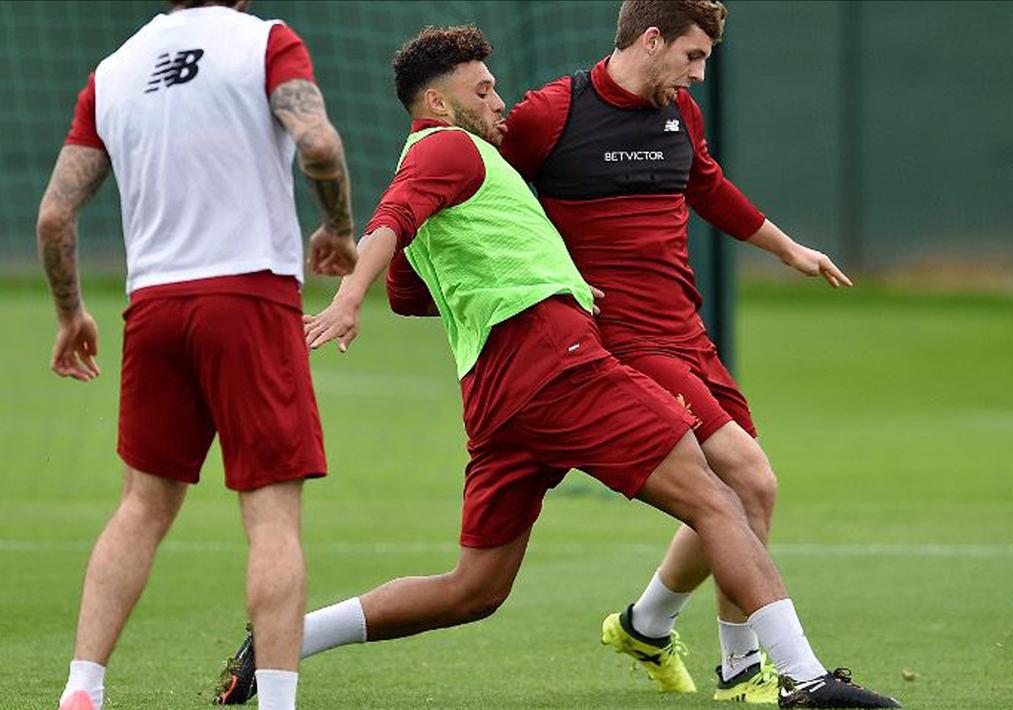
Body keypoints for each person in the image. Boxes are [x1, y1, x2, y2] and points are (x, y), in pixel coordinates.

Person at [215, 24, 899, 709]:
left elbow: (411, 286)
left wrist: (542, 277)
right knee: (718, 500)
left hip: (496, 395)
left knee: (474, 589)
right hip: (556, 369)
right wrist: (349, 294)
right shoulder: (448, 148)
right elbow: (390, 220)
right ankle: (801, 680)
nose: (498, 102)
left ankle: (285, 638)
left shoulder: (460, 168)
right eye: (481, 90)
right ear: (438, 104)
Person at [386, 1, 856, 702]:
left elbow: (707, 187)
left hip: (687, 332)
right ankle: (743, 668)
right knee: (746, 482)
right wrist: (421, 285)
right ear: (651, 38)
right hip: (616, 341)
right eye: (692, 57)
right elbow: (460, 191)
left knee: (737, 495)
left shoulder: (679, 114)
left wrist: (787, 248)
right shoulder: (548, 115)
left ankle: (649, 623)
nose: (699, 74)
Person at [38, 1, 356, 709]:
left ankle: (82, 687)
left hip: (153, 308)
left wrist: (70, 314)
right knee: (271, 515)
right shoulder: (266, 42)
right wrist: (337, 227)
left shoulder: (112, 71)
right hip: (249, 298)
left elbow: (55, 214)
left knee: (142, 506)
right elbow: (321, 146)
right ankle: (276, 702)